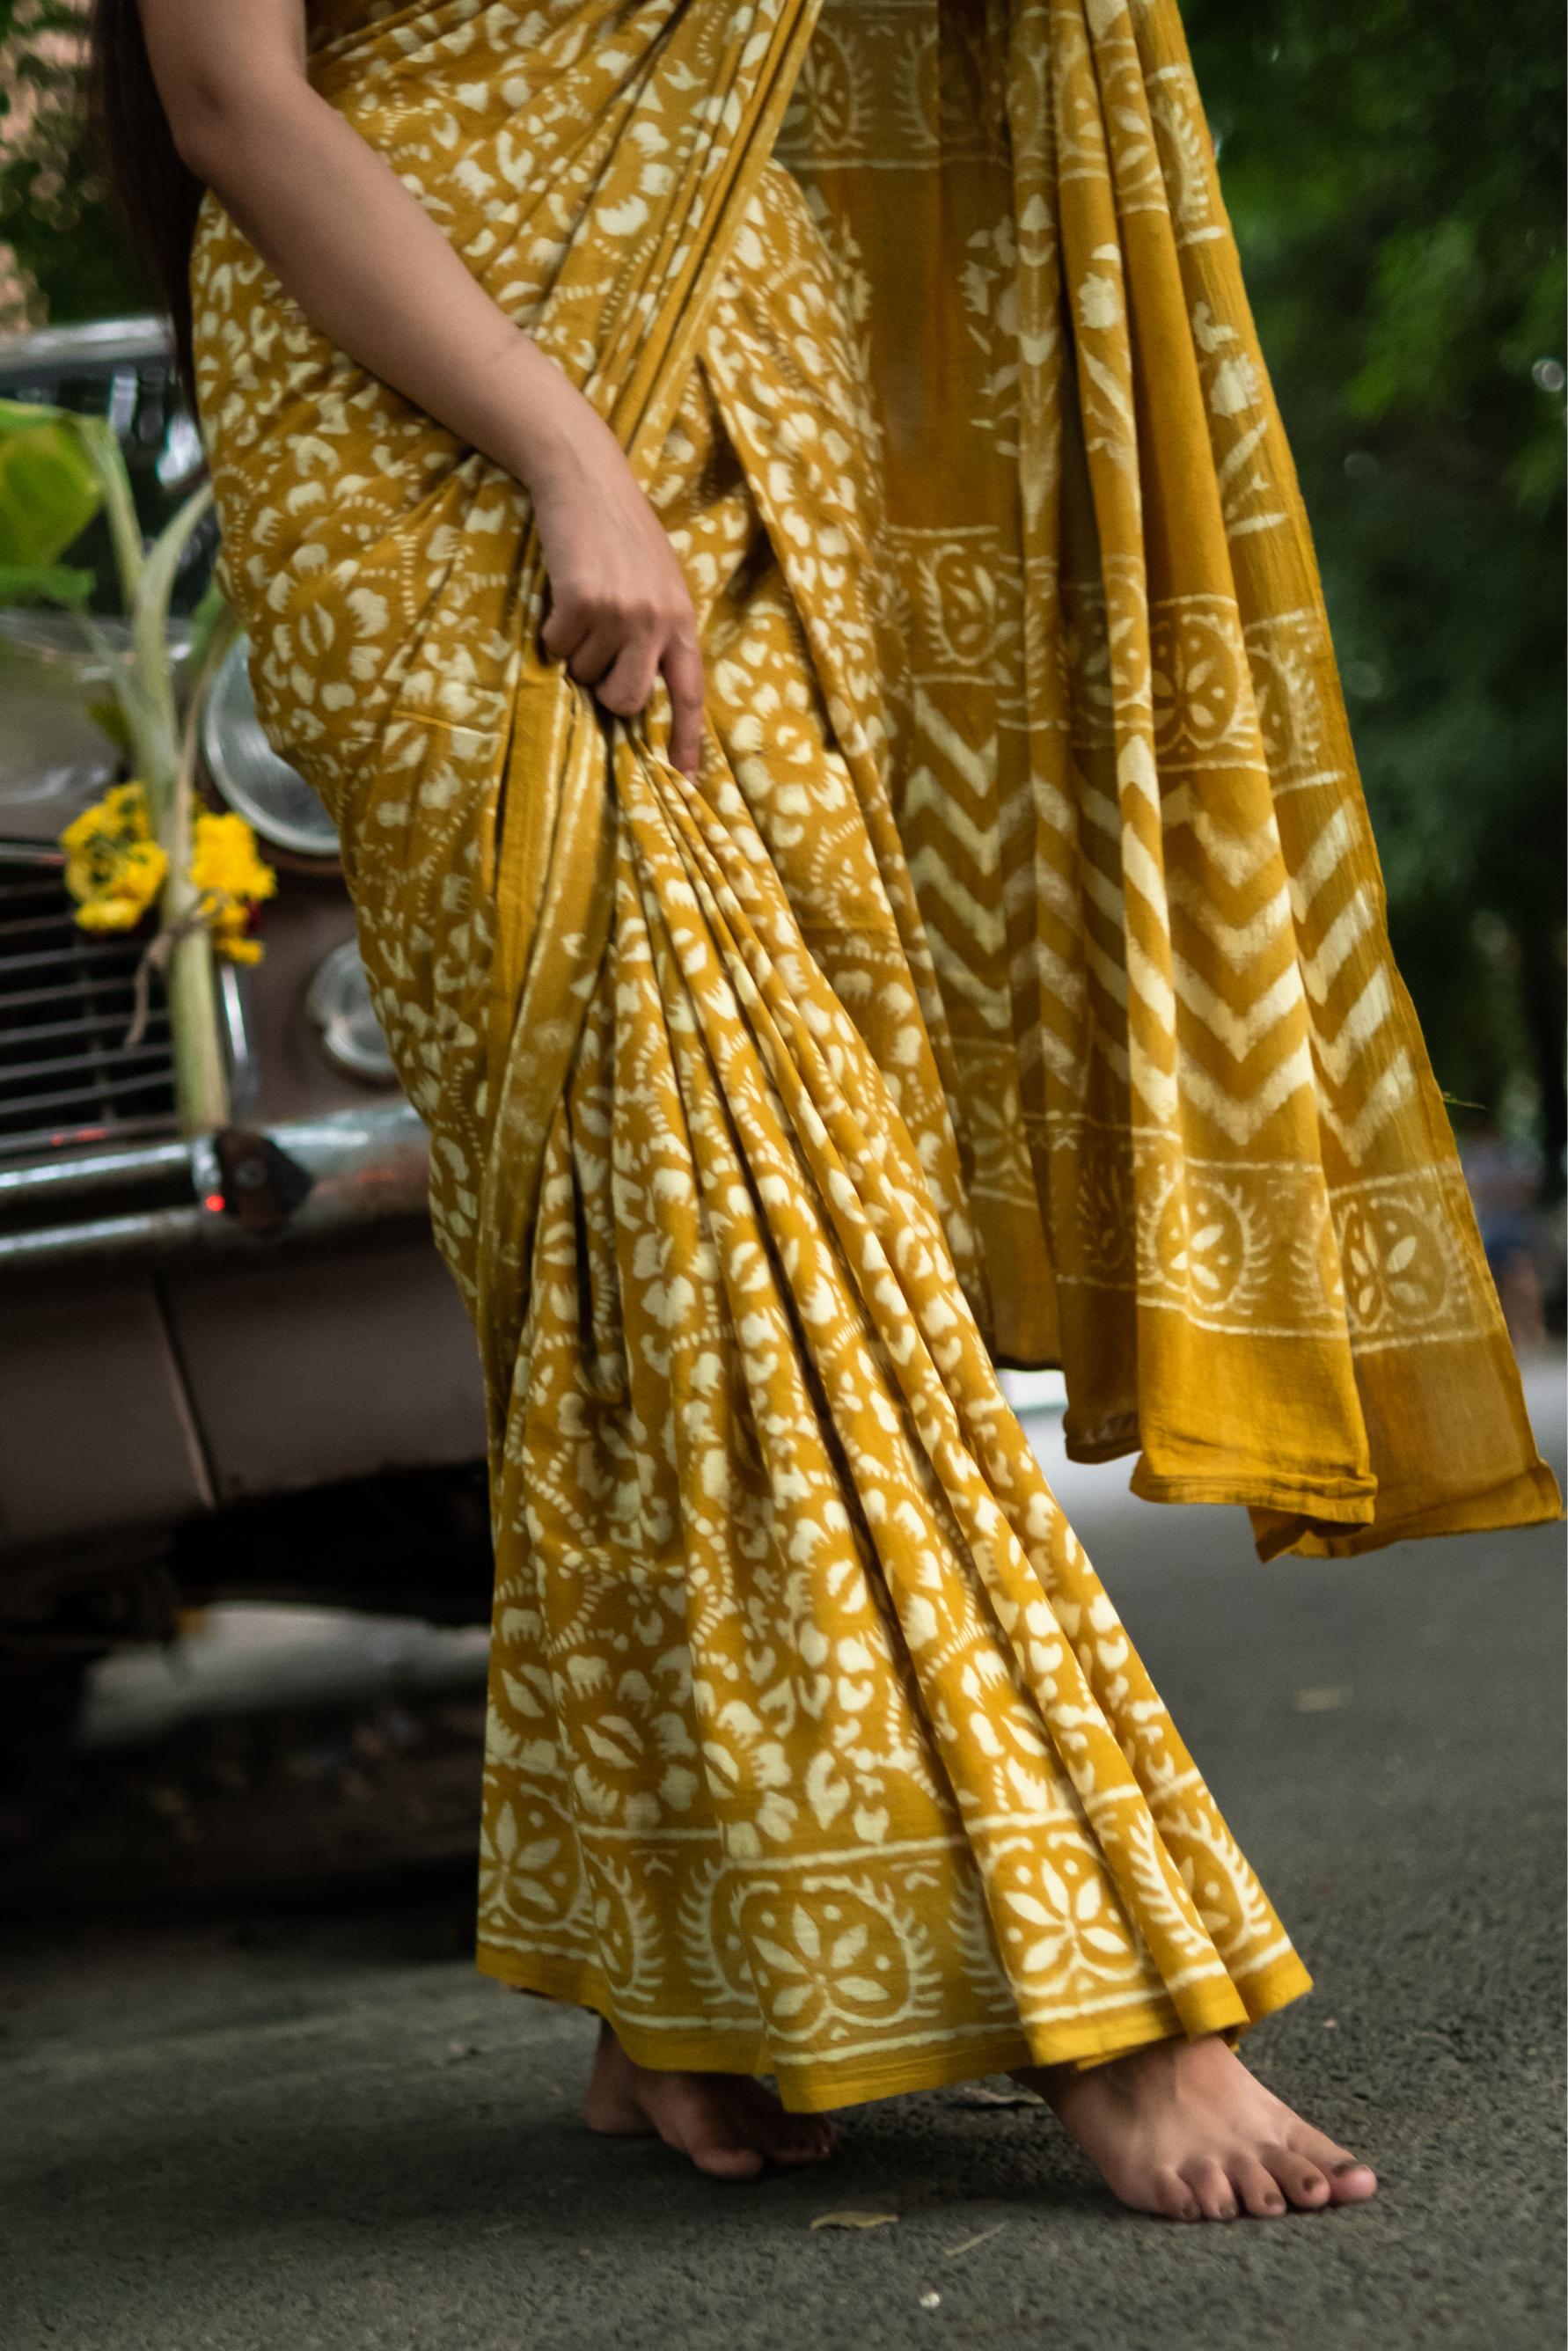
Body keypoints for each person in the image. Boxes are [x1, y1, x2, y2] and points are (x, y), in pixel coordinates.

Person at [99, 0, 1558, 2223]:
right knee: (719, 1177)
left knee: (677, 1195)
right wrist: (563, 451)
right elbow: (233, 96)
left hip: (736, 395)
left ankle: (673, 1977)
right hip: (436, 421)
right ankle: (1109, 2001)